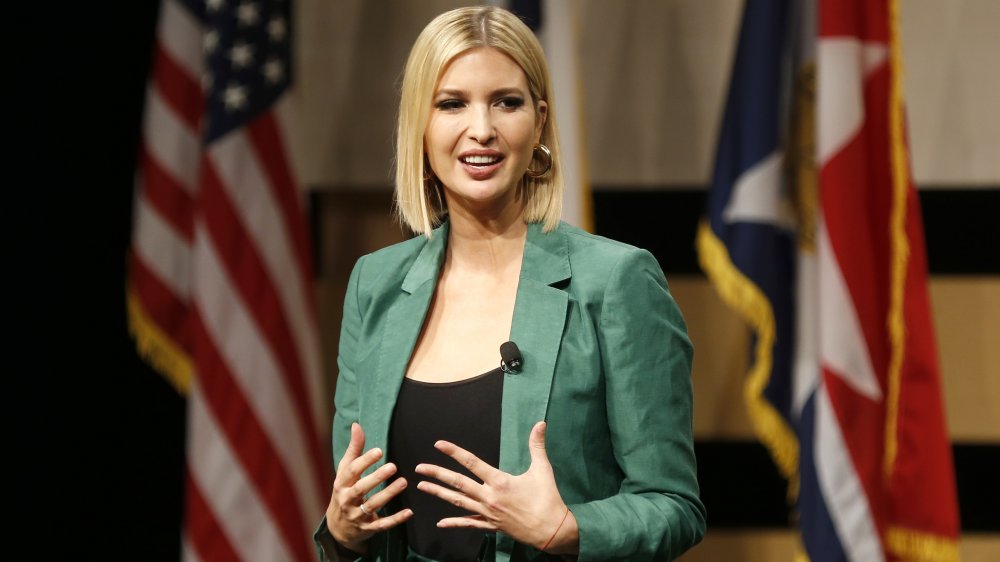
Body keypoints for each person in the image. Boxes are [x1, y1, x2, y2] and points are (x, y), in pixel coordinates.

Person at [314, 5, 705, 561]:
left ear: (540, 120)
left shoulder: (616, 281)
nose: (482, 129)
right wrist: (342, 531)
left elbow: (673, 504)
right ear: (419, 127)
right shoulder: (374, 285)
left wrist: (567, 528)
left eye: (507, 102)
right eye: (452, 104)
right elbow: (352, 507)